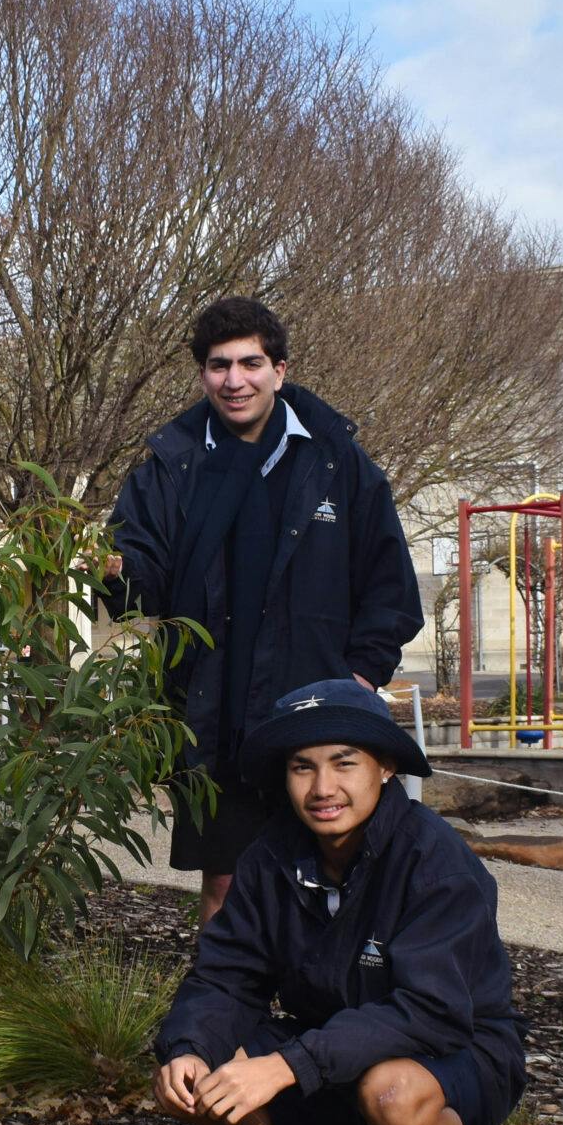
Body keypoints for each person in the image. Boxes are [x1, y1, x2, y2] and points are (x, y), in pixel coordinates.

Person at [153, 679, 525, 1125]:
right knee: (195, 1084)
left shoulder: (434, 860)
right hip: (327, 1045)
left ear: (384, 767)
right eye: (302, 768)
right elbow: (225, 974)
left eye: (344, 764)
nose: (323, 788)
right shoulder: (273, 854)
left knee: (392, 1095)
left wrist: (284, 1066)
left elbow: (429, 1010)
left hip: (455, 1049)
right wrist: (190, 1045)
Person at [106, 296, 422, 922]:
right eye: (219, 365)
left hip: (317, 713)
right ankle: (225, 1015)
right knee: (228, 885)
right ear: (203, 374)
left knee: (337, 875)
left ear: (281, 369)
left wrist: (358, 676)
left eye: (250, 363)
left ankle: (328, 1013)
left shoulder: (339, 464)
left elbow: (391, 585)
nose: (234, 380)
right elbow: (138, 584)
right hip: (215, 713)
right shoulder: (170, 468)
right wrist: (108, 572)